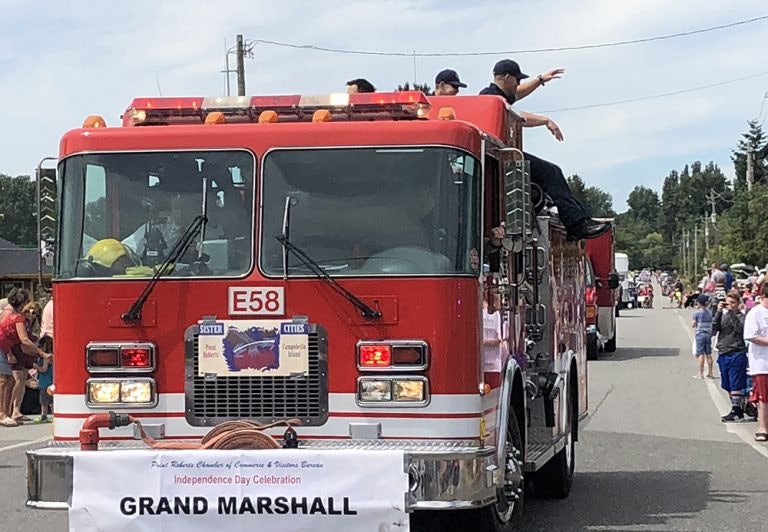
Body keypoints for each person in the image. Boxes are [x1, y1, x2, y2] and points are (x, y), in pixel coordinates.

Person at [478, 59, 610, 240]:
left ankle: (573, 220)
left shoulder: (494, 95)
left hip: (501, 156)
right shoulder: (491, 98)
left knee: (539, 189)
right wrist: (545, 120)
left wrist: (540, 80)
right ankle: (576, 224)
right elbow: (518, 117)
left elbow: (518, 93)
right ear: (507, 78)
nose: (518, 84)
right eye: (517, 80)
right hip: (500, 157)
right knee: (551, 172)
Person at [0, 289, 48, 424]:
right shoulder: (15, 316)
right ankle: (3, 413)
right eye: (28, 301)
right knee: (4, 381)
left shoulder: (13, 314)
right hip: (5, 349)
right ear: (24, 302)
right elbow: (23, 339)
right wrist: (42, 353)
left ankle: (9, 412)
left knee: (10, 381)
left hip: (8, 349)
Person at [713, 292, 748, 421]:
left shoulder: (741, 317)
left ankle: (736, 409)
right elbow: (714, 327)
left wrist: (733, 312)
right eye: (728, 302)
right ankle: (737, 406)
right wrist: (719, 311)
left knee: (735, 383)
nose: (730, 305)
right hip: (723, 352)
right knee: (727, 384)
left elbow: (740, 329)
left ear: (738, 304)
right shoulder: (723, 316)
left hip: (736, 352)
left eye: (733, 303)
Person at [744, 283, 768, 442]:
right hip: (762, 362)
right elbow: (751, 336)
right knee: (763, 397)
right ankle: (763, 426)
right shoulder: (756, 313)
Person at [692, 294, 715, 379]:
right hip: (708, 333)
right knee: (708, 354)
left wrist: (694, 325)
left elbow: (694, 324)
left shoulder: (697, 313)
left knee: (700, 353)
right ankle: (710, 372)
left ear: (698, 302)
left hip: (700, 333)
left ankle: (701, 373)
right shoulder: (709, 312)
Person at [35, 335, 53, 423]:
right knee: (43, 400)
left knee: (48, 400)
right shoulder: (46, 357)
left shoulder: (46, 358)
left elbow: (43, 369)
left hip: (46, 382)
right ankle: (44, 415)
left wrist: (36, 367)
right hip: (44, 382)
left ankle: (49, 414)